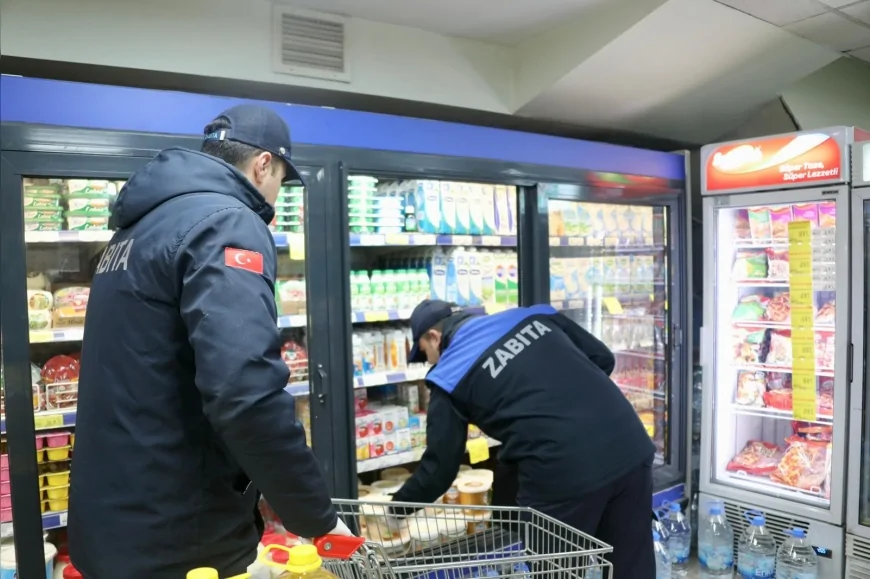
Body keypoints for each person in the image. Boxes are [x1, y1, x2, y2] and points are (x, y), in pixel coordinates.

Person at [69, 105, 350, 579]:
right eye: (282, 177)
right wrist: (317, 519)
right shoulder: (228, 223)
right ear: (264, 164)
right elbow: (246, 391)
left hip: (114, 518)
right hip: (178, 533)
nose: (278, 194)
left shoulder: (136, 228)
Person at [390, 300, 656, 578]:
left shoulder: (449, 373)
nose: (430, 362)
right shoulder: (532, 315)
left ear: (434, 336)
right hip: (630, 445)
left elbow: (440, 469)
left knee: (555, 572)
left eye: (424, 353)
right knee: (631, 568)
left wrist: (397, 509)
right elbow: (603, 358)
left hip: (562, 472)